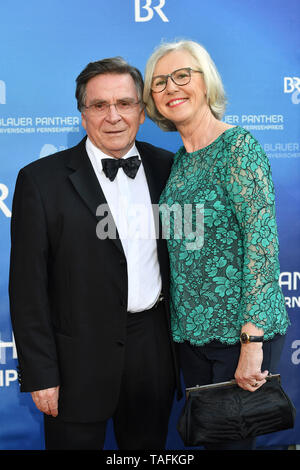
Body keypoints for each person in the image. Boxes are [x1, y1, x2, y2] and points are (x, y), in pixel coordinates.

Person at [9, 57, 180, 450]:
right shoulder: (40, 181)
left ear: (142, 111)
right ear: (82, 114)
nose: (113, 116)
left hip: (151, 353)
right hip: (75, 361)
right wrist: (40, 374)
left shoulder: (167, 167)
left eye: (125, 103)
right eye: (99, 105)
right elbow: (27, 289)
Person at [143, 40, 290, 450]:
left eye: (182, 76)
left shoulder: (238, 148)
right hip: (191, 337)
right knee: (210, 443)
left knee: (231, 445)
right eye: (159, 83)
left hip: (238, 335)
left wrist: (251, 341)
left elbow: (260, 244)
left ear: (206, 83)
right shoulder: (181, 161)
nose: (171, 87)